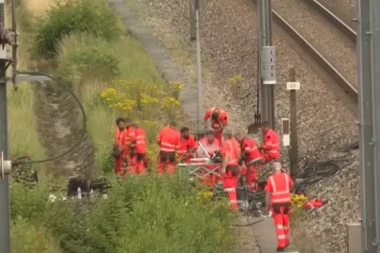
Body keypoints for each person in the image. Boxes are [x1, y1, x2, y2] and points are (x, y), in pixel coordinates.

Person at [265, 162, 293, 251]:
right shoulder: (286, 176)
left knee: (279, 226)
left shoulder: (270, 179)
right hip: (286, 205)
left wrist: (267, 206)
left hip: (276, 206)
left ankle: (281, 245)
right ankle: (286, 240)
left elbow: (268, 194)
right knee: (285, 224)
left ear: (273, 170)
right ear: (281, 169)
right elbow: (291, 185)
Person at [221, 128, 240, 210]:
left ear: (224, 135)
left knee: (229, 189)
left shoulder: (226, 143)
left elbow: (227, 156)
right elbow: (239, 154)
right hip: (235, 167)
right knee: (233, 188)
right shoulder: (235, 142)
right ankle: (234, 206)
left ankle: (233, 208)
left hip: (229, 168)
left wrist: (223, 168)